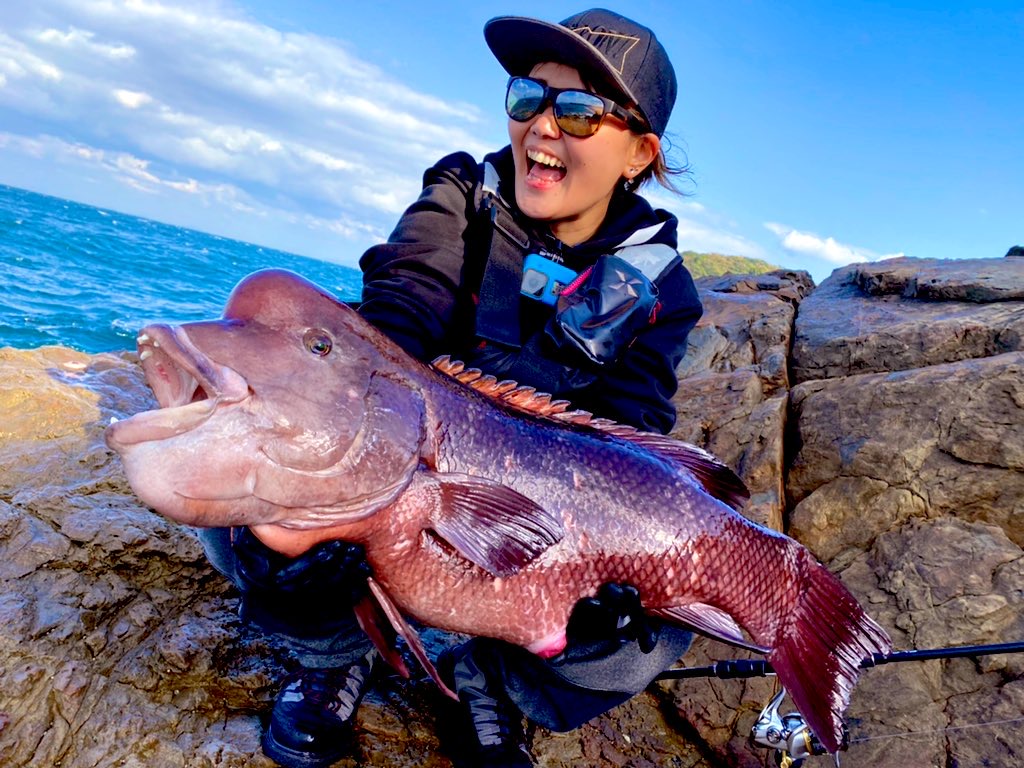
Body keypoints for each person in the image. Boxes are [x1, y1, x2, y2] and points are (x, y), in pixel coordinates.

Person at [200, 8, 703, 768]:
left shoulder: (664, 287)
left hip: (532, 520)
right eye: (528, 97)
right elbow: (400, 306)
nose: (542, 127)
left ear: (640, 151)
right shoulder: (461, 194)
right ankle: (333, 651)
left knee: (646, 634)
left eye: (578, 111)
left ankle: (495, 678)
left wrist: (609, 573)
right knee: (243, 496)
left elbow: (629, 423)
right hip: (405, 475)